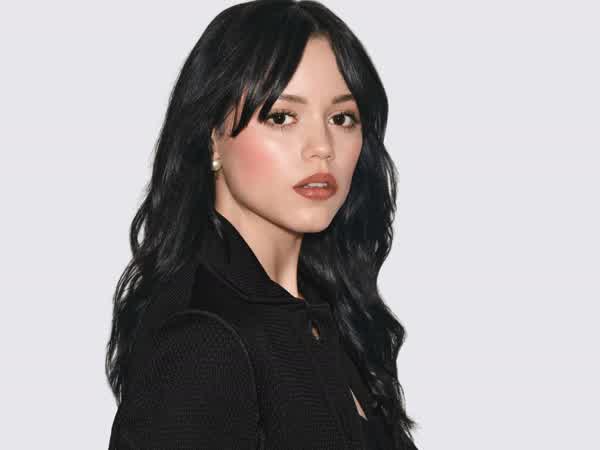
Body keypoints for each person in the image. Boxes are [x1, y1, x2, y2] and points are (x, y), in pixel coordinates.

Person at [105, 0, 419, 448]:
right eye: (282, 116)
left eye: (341, 118)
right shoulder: (203, 339)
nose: (322, 147)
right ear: (212, 137)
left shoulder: (330, 312)